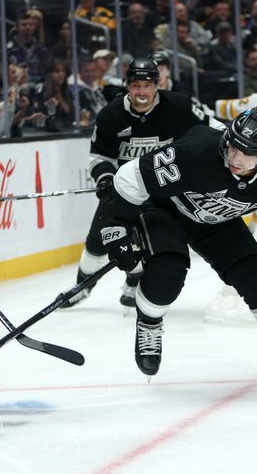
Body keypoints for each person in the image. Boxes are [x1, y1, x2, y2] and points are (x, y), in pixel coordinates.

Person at [100, 107, 257, 382]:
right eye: (232, 147)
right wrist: (118, 227)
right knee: (167, 273)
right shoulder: (198, 151)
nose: (235, 158)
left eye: (247, 153)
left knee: (256, 278)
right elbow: (129, 176)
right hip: (165, 207)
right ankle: (149, 322)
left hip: (218, 219)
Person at [64, 58, 214, 310]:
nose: (141, 92)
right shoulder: (112, 114)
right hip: (126, 189)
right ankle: (83, 285)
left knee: (155, 240)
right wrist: (105, 178)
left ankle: (136, 280)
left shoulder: (178, 106)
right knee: (99, 238)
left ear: (158, 85)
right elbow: (99, 157)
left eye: (147, 85)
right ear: (127, 86)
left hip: (166, 190)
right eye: (136, 85)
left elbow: (212, 131)